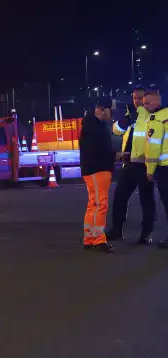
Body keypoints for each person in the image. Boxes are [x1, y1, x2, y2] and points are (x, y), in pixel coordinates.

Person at [106, 87, 155, 243]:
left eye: (140, 98)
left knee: (146, 201)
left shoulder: (152, 116)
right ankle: (116, 229)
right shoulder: (130, 115)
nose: (137, 101)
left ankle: (146, 234)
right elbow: (116, 131)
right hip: (129, 164)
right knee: (119, 197)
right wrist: (124, 120)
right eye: (135, 98)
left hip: (146, 165)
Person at [80, 100, 115, 252]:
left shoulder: (90, 125)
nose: (111, 113)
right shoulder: (96, 127)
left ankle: (89, 238)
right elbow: (100, 149)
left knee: (93, 204)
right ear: (100, 110)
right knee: (100, 204)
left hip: (93, 169)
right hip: (98, 169)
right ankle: (98, 239)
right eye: (109, 110)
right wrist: (116, 155)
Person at [141, 89, 168, 248]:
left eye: (147, 103)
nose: (145, 106)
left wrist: (149, 170)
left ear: (156, 101)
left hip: (164, 168)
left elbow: (153, 148)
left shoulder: (156, 119)